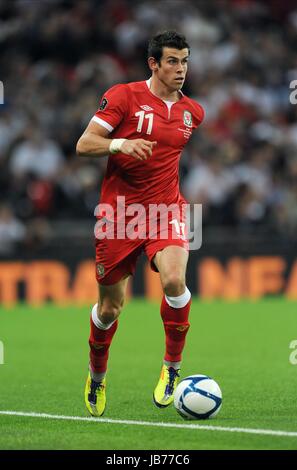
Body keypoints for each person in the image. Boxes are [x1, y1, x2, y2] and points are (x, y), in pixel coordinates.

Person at [76, 30, 204, 417]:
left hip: (167, 210)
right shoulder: (123, 97)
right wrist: (120, 144)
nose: (180, 69)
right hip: (118, 216)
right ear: (153, 63)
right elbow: (84, 144)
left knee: (173, 282)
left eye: (184, 61)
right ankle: (97, 376)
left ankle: (172, 368)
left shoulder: (192, 112)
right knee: (110, 308)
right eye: (172, 61)